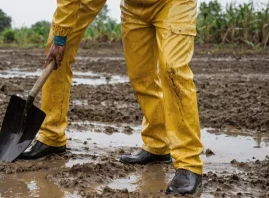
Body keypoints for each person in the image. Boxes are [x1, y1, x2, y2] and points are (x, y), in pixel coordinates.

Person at [21, 0, 203, 195]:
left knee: (172, 70)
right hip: (134, 8)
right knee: (141, 77)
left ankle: (188, 163)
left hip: (173, 3)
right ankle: (156, 144)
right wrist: (59, 38)